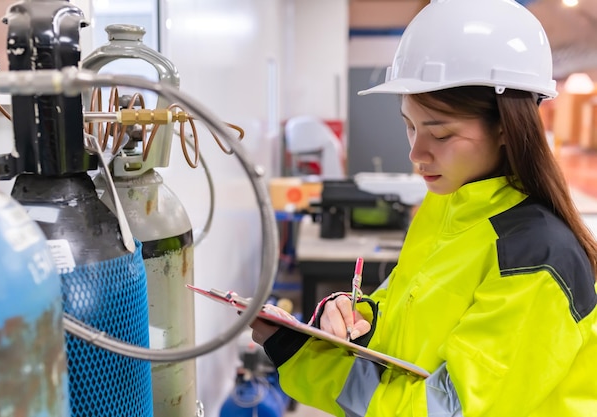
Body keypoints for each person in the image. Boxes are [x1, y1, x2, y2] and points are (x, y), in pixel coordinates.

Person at [250, 0, 597, 415]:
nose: (416, 153)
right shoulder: (447, 206)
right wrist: (348, 314)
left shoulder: (535, 260)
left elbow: (443, 408)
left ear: (506, 127)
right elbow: (403, 310)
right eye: (409, 125)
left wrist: (305, 356)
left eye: (441, 134)